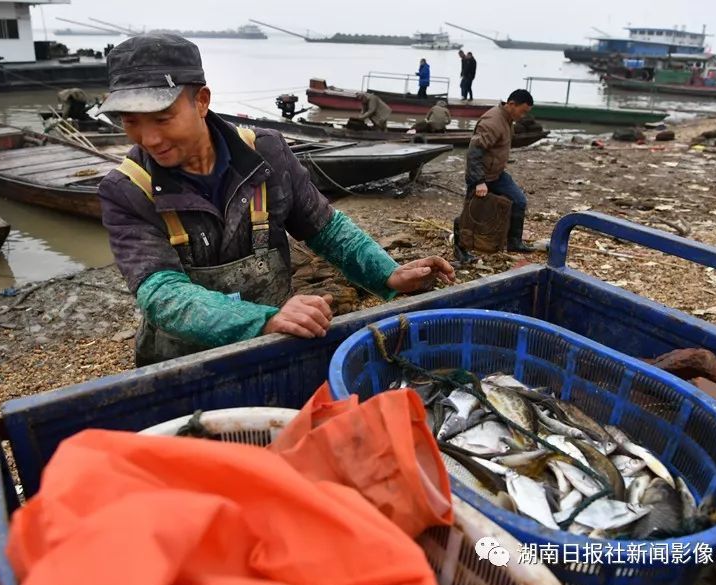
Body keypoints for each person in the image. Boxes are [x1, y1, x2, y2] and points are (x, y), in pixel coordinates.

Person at [96, 34, 454, 366]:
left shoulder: (267, 152)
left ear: (202, 101)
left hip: (271, 348)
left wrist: (386, 273)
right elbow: (163, 295)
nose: (149, 138)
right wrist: (263, 319)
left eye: (163, 118)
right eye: (131, 122)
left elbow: (325, 227)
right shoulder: (125, 189)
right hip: (183, 365)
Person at [454, 89, 536, 261]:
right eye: (522, 111)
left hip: (497, 175)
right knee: (470, 214)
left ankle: (514, 242)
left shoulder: (508, 119)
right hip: (481, 176)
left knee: (518, 201)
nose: (522, 116)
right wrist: (479, 181)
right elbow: (474, 152)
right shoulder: (493, 121)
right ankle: (460, 250)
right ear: (512, 104)